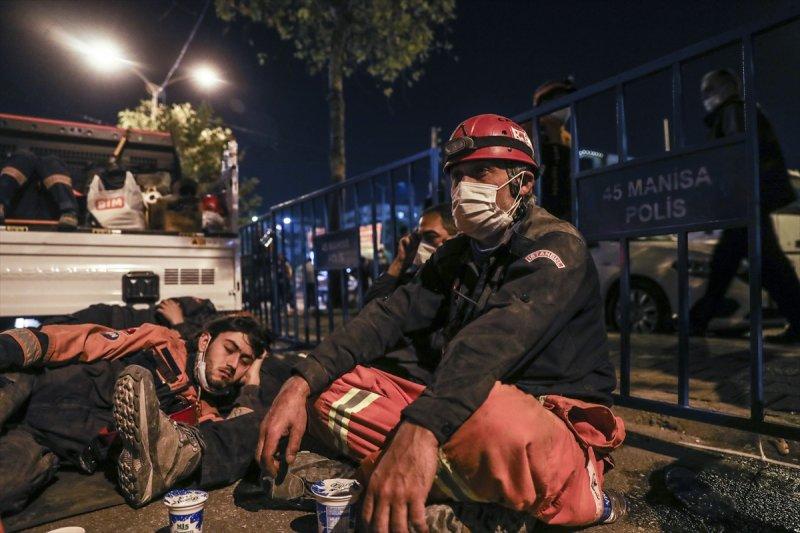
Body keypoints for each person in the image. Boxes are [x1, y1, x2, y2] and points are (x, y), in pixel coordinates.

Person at [256, 114, 627, 531]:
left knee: (492, 419)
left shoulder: (555, 247)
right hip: (464, 406)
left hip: (533, 422)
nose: (464, 187)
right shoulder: (458, 254)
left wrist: (423, 426)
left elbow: (492, 341)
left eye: (480, 173)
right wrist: (301, 381)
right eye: (457, 176)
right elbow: (388, 315)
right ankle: (446, 490)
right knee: (329, 387)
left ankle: (574, 494)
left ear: (523, 183)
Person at [0, 315, 271, 513]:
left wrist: (253, 384)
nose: (233, 364)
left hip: (43, 441)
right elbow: (90, 341)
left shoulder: (203, 413)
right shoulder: (163, 341)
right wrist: (16, 347)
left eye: (245, 361)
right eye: (229, 349)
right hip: (34, 384)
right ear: (205, 341)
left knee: (8, 487)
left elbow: (242, 429)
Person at [690, 69, 800, 343]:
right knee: (760, 266)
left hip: (744, 203)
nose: (704, 98)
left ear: (722, 89)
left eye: (708, 90)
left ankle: (697, 322)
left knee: (743, 265)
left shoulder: (733, 112)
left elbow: (735, 157)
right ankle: (698, 321)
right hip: (748, 203)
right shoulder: (742, 111)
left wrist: (729, 198)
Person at [533, 77, 577, 221]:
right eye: (560, 97)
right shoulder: (531, 127)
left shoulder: (567, 136)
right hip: (540, 203)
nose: (566, 106)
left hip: (564, 203)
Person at [0, 150, 79, 229]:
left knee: (47, 161)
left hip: (50, 213)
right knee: (25, 158)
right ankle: (69, 212)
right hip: (19, 210)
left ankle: (69, 213)